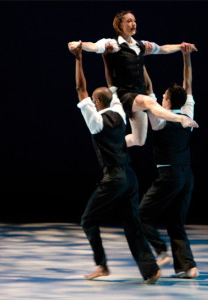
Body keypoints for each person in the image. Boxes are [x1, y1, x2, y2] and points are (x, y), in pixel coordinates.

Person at [69, 42, 161, 284]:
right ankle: (150, 270)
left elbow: (81, 88)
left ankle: (102, 266)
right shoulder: (120, 111)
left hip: (114, 179)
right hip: (130, 177)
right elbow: (111, 87)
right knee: (132, 225)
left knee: (88, 220)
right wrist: (104, 58)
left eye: (94, 101)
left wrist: (78, 58)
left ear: (97, 103)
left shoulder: (95, 121)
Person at [68, 10, 198, 148]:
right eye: (129, 21)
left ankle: (110, 145)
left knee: (139, 140)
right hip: (124, 94)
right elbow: (94, 46)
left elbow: (162, 49)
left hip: (138, 94)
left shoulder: (141, 45)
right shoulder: (113, 44)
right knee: (149, 102)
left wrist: (182, 47)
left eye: (134, 21)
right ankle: (181, 119)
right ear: (120, 25)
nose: (133, 24)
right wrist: (79, 44)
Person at [138, 48, 199, 278]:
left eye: (163, 97)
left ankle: (160, 249)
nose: (160, 99)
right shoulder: (187, 112)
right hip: (187, 176)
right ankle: (188, 267)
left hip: (170, 177)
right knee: (176, 223)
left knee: (140, 215)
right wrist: (186, 56)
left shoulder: (160, 119)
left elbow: (148, 88)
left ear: (168, 100)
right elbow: (188, 82)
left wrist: (140, 59)